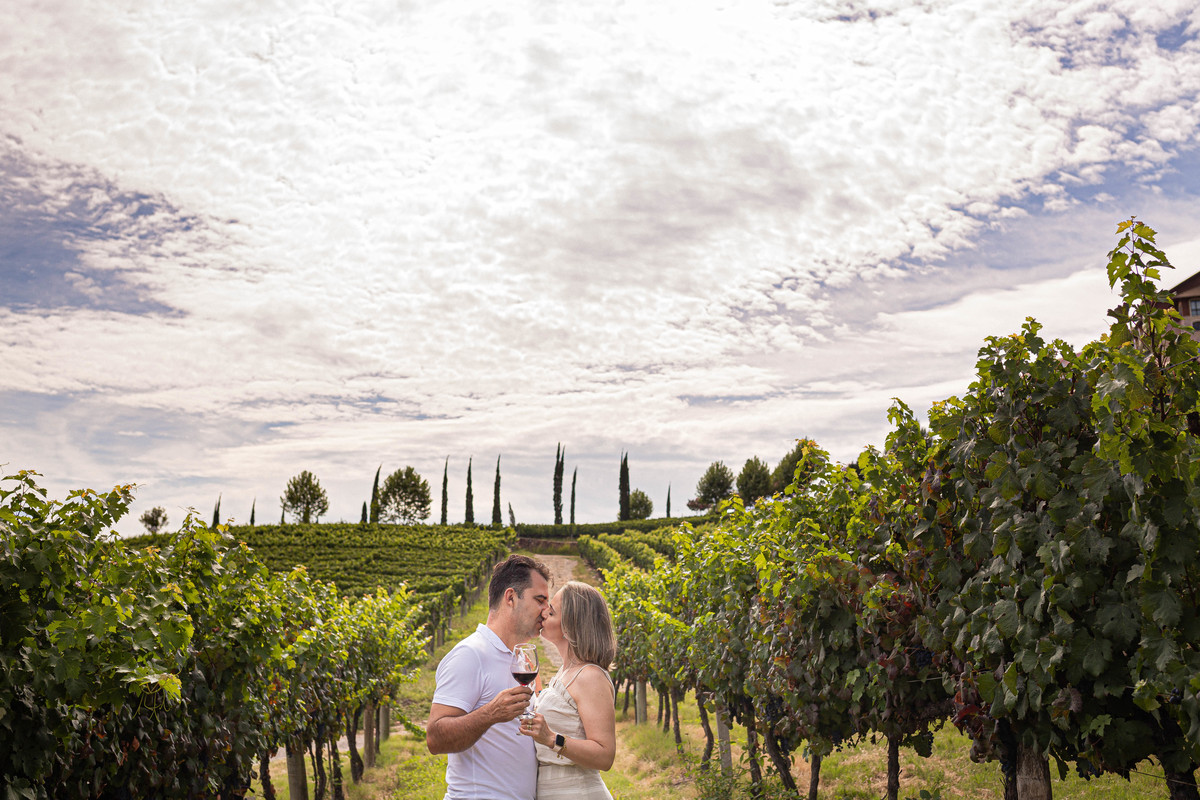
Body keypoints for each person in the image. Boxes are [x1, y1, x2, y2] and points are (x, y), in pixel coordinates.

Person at [427, 554, 552, 800]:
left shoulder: (522, 661)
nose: (546, 611)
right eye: (540, 600)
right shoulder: (470, 654)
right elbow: (435, 738)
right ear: (510, 598)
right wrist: (491, 713)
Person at [518, 580, 618, 800]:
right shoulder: (565, 672)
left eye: (551, 612)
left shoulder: (591, 676)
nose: (543, 614)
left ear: (570, 627)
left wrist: (553, 738)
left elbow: (605, 756)